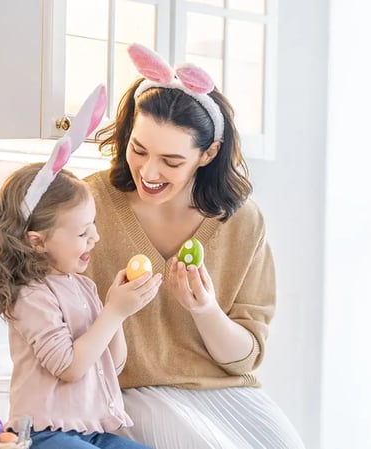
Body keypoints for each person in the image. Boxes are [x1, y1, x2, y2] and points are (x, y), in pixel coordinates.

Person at [83, 43, 306, 449]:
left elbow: (245, 356)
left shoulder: (241, 221)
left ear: (208, 154)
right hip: (128, 394)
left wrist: (204, 308)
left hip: (229, 397)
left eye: (171, 161)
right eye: (138, 149)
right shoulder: (87, 205)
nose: (149, 171)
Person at [0, 86, 162, 449]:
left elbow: (114, 362)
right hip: (44, 433)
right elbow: (70, 367)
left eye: (93, 225)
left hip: (91, 430)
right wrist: (112, 312)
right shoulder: (31, 295)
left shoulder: (82, 286)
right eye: (81, 231)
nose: (94, 237)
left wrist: (118, 312)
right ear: (37, 240)